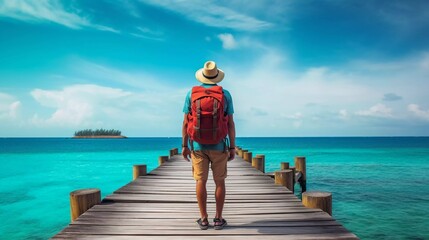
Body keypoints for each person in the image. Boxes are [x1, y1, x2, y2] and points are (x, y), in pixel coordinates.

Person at [182, 61, 236, 230]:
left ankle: (204, 219)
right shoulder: (225, 94)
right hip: (219, 145)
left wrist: (184, 145)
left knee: (201, 181)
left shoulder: (192, 94)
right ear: (217, 77)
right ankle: (218, 219)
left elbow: (185, 123)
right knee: (219, 182)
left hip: (197, 146)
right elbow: (231, 124)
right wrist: (232, 147)